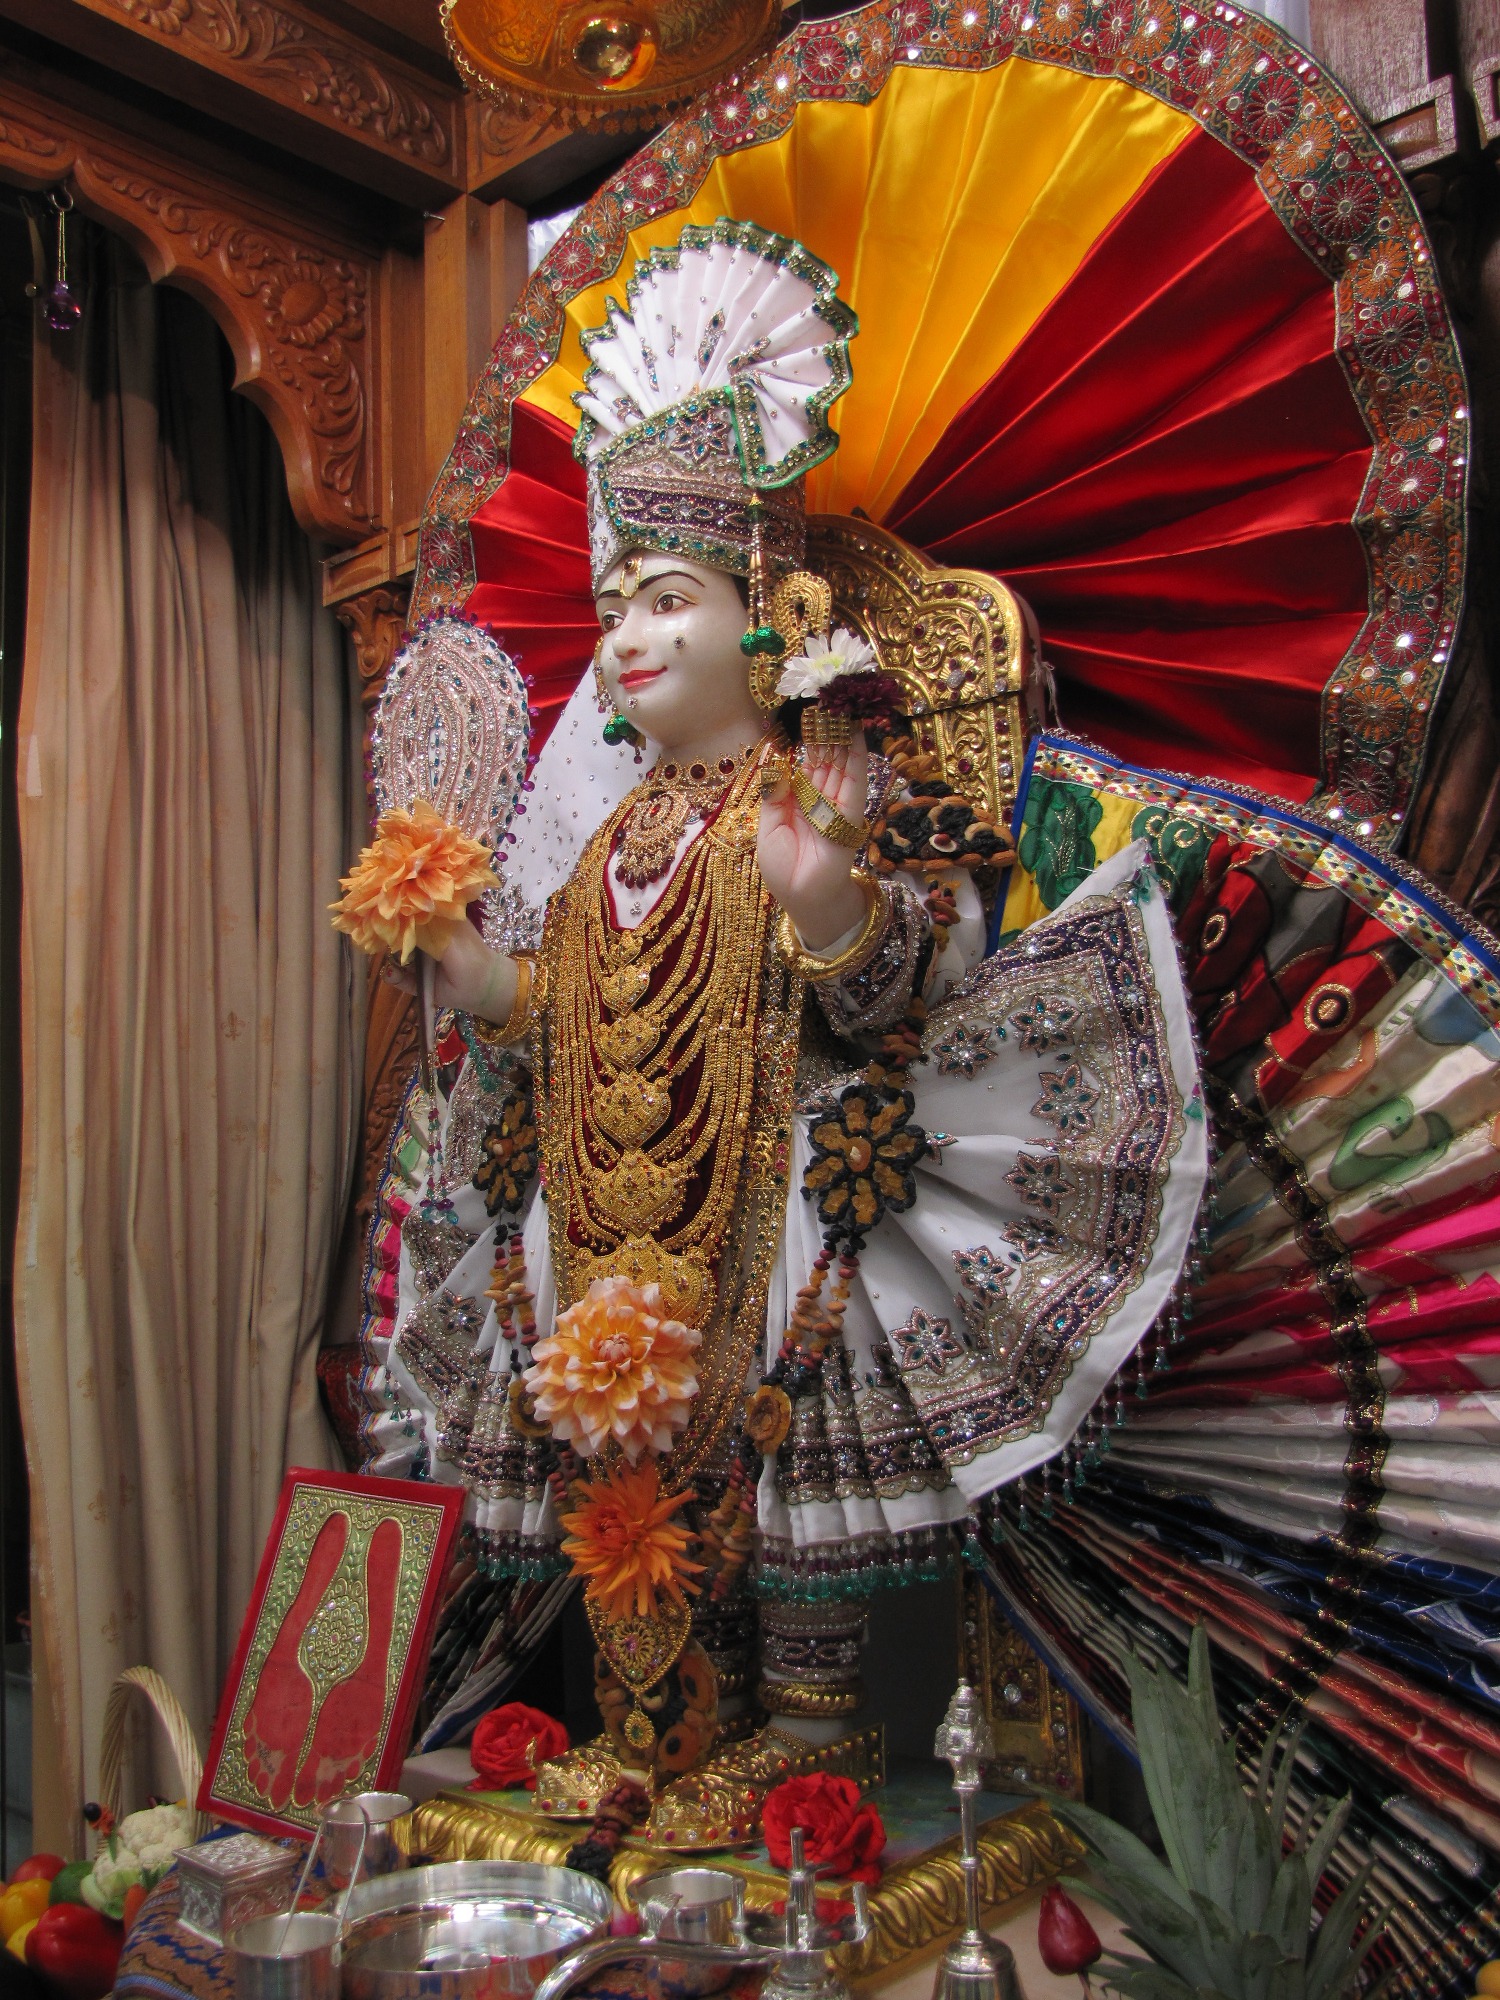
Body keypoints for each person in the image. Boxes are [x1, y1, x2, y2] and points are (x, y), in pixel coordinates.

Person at [356, 219, 1206, 1842]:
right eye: (614, 606)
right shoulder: (610, 837)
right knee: (623, 1470)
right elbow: (565, 1005)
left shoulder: (814, 793)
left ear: (770, 619)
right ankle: (661, 1723)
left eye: (669, 599)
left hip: (783, 1195)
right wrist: (474, 976)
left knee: (789, 1454)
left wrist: (824, 898)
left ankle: (812, 1734)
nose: (628, 635)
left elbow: (901, 1001)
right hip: (603, 1215)